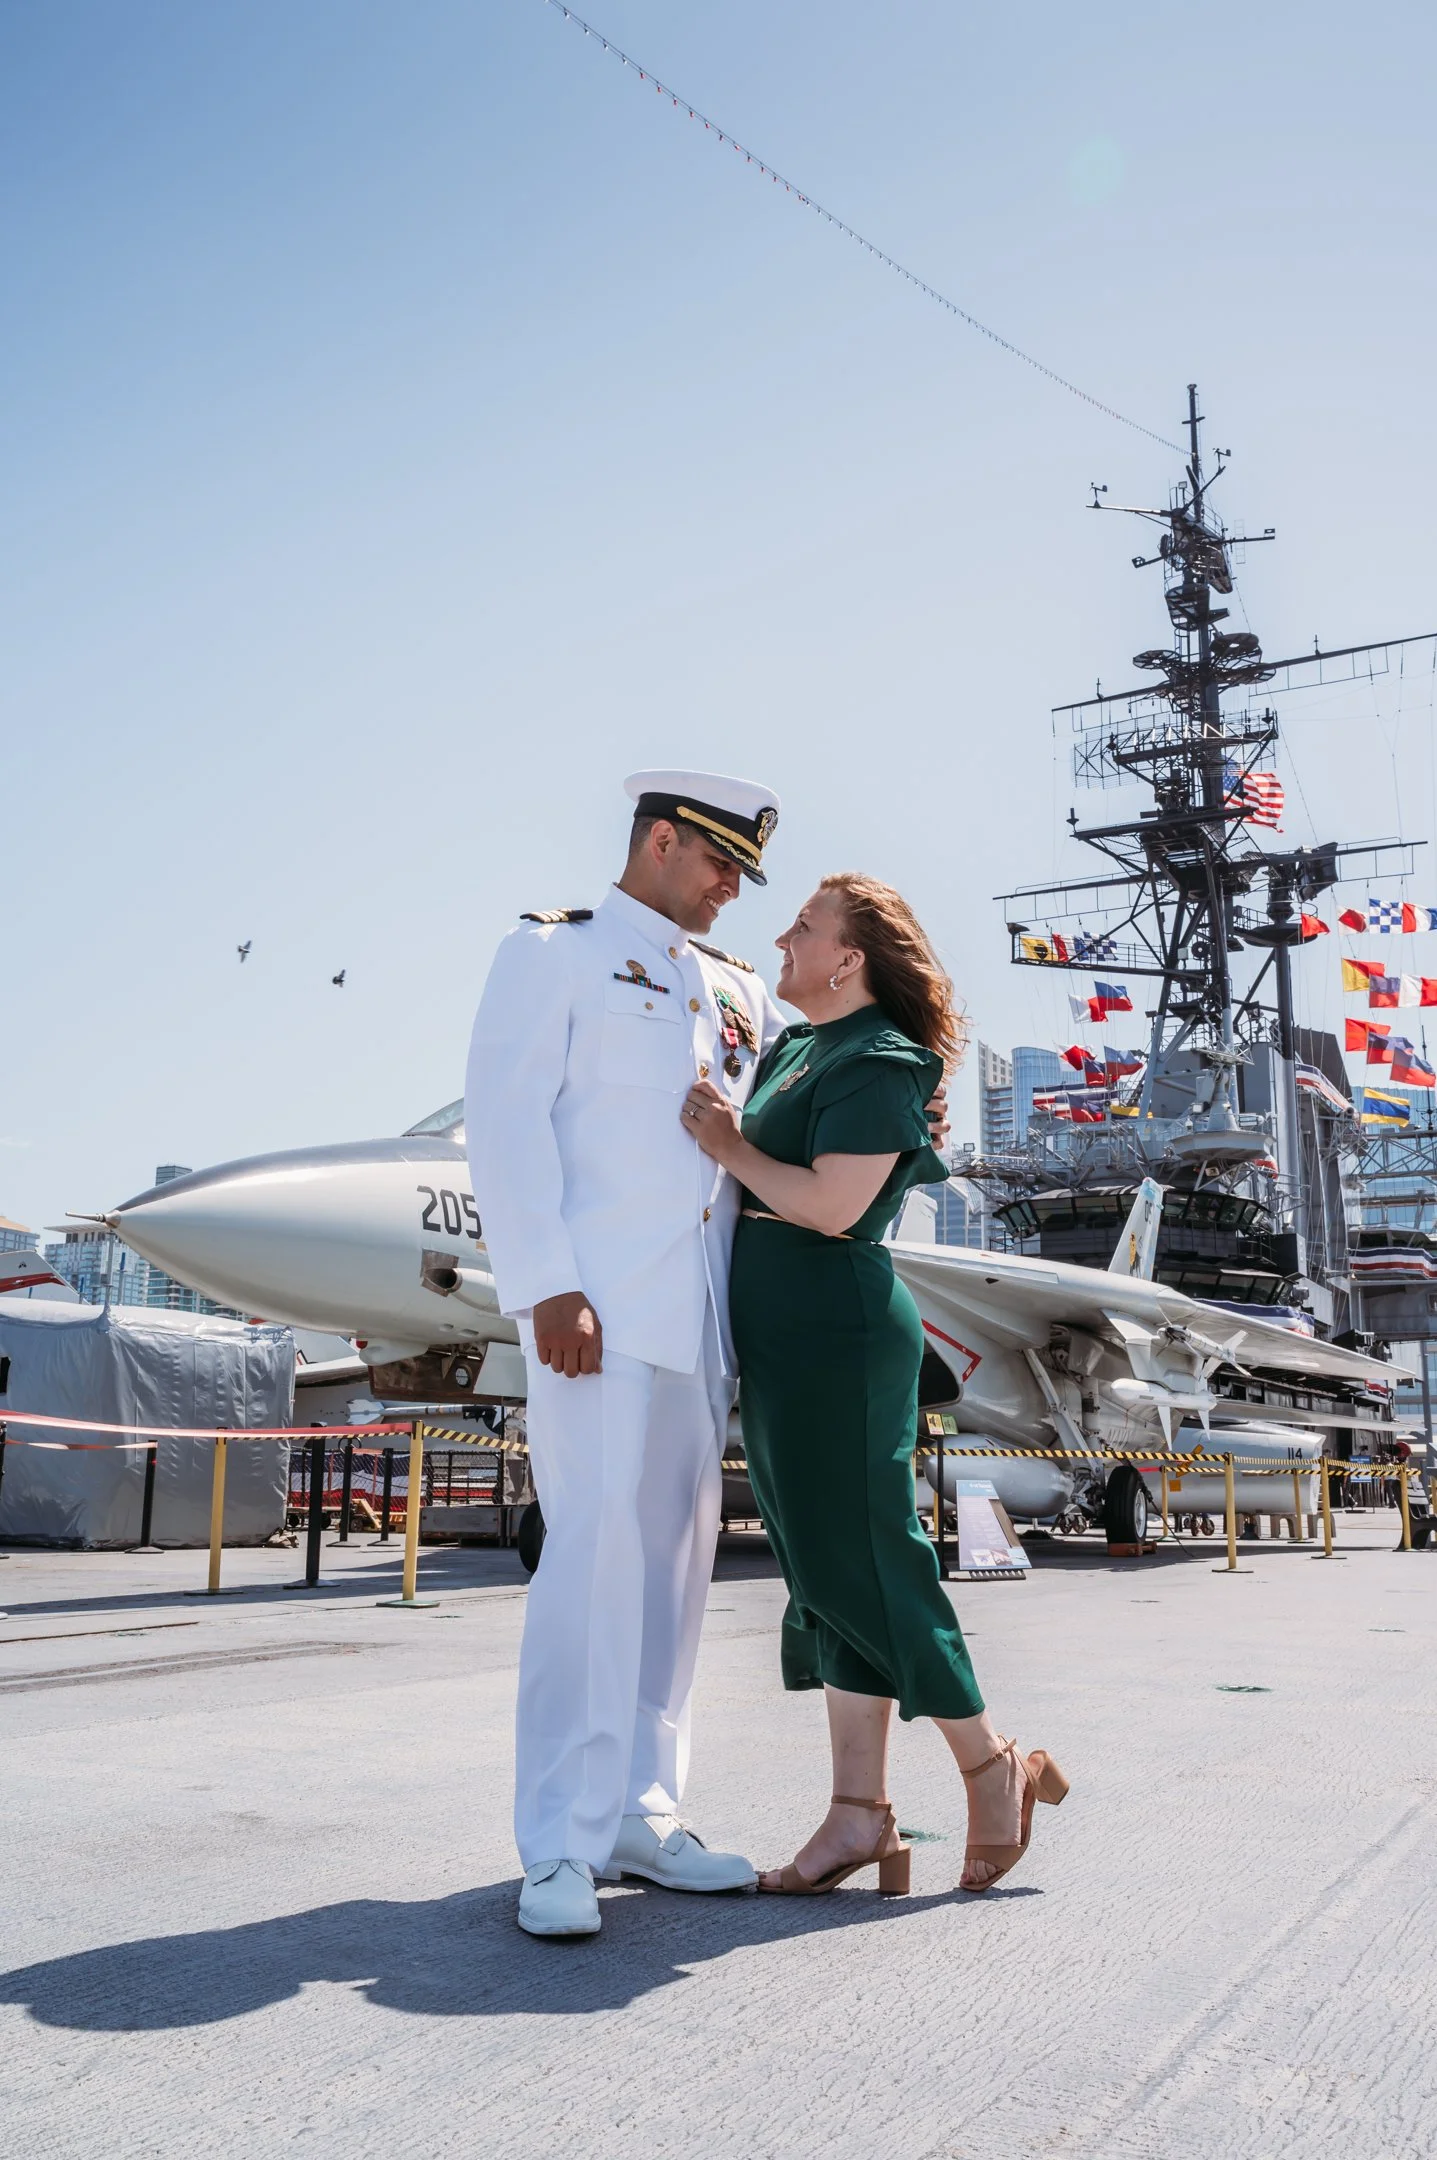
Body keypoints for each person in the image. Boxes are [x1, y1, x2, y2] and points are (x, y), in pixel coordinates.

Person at [682, 873, 1069, 1896]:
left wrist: (724, 1143)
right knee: (819, 1566)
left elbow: (835, 1206)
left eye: (804, 927)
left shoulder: (883, 1058)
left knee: (869, 1559)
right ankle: (859, 1815)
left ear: (848, 957)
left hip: (838, 1329)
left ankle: (994, 1766)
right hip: (782, 1332)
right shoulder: (802, 1046)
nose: (784, 936)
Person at [465, 770, 789, 1938]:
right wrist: (546, 1283)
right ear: (661, 842)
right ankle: (557, 1840)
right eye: (719, 866)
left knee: (672, 1572)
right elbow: (503, 1121)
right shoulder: (555, 954)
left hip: (696, 1326)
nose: (732, 890)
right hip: (593, 1321)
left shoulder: (739, 987)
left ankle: (642, 1812)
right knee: (589, 1566)